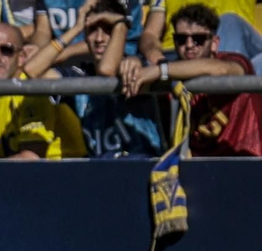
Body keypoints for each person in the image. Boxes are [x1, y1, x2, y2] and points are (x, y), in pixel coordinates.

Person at [23, 0, 162, 157]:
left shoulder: (136, 66)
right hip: (98, 170)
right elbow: (32, 70)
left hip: (143, 166)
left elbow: (107, 70)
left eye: (108, 30)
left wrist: (121, 24)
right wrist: (75, 29)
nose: (99, 39)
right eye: (92, 30)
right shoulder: (80, 74)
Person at [124, 2, 262, 156]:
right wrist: (133, 61)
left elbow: (223, 70)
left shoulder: (235, 60)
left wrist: (161, 70)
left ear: (215, 44)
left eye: (198, 39)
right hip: (198, 169)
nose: (189, 45)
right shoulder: (172, 79)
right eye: (181, 39)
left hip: (247, 162)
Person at [0, 22, 85, 156]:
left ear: (21, 57)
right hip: (11, 172)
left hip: (66, 172)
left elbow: (30, 158)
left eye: (6, 50)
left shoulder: (33, 92)